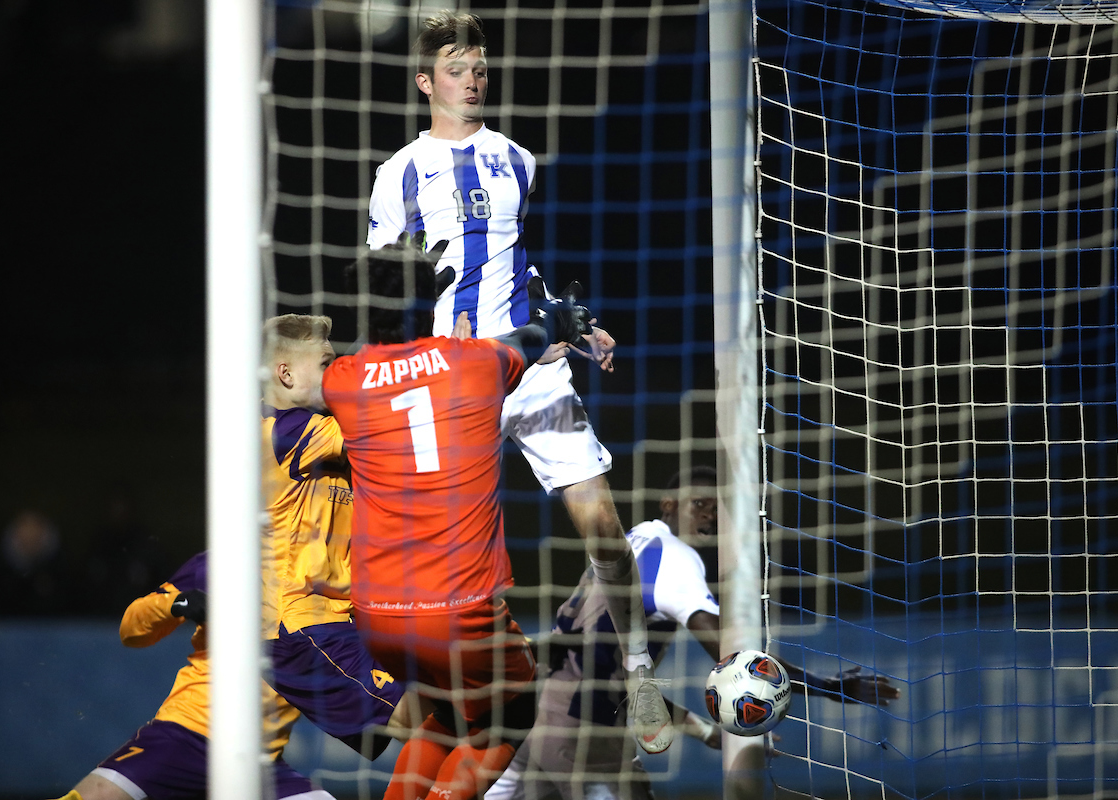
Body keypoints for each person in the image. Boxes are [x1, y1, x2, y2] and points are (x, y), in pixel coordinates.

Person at [365, 9, 671, 755]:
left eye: (479, 68)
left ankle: (636, 675)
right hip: (454, 383)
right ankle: (416, 694)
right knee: (440, 552)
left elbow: (521, 264)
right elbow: (372, 282)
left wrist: (576, 319)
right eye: (457, 70)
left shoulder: (518, 159)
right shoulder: (399, 172)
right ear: (425, 81)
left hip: (533, 369)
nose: (473, 80)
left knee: (603, 526)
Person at [321, 232, 595, 800]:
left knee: (448, 712)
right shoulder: (475, 362)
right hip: (457, 608)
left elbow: (381, 357)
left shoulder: (342, 382)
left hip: (376, 614)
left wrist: (403, 301)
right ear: (429, 303)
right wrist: (564, 316)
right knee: (516, 705)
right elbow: (538, 333)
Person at [485, 466, 902, 800]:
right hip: (581, 731)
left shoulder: (636, 542)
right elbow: (740, 663)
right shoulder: (676, 558)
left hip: (537, 716)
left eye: (715, 509)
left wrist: (704, 733)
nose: (709, 515)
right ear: (669, 504)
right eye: (699, 504)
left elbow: (624, 685)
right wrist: (831, 687)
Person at [52, 551, 334, 800]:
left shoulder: (334, 580)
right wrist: (177, 603)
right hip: (186, 734)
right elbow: (130, 630)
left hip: (259, 759)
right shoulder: (220, 564)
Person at [261, 313, 418, 760]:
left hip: (342, 617)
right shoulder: (286, 431)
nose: (340, 369)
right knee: (432, 718)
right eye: (327, 363)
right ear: (285, 374)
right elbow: (388, 410)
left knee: (440, 719)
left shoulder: (312, 435)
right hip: (301, 624)